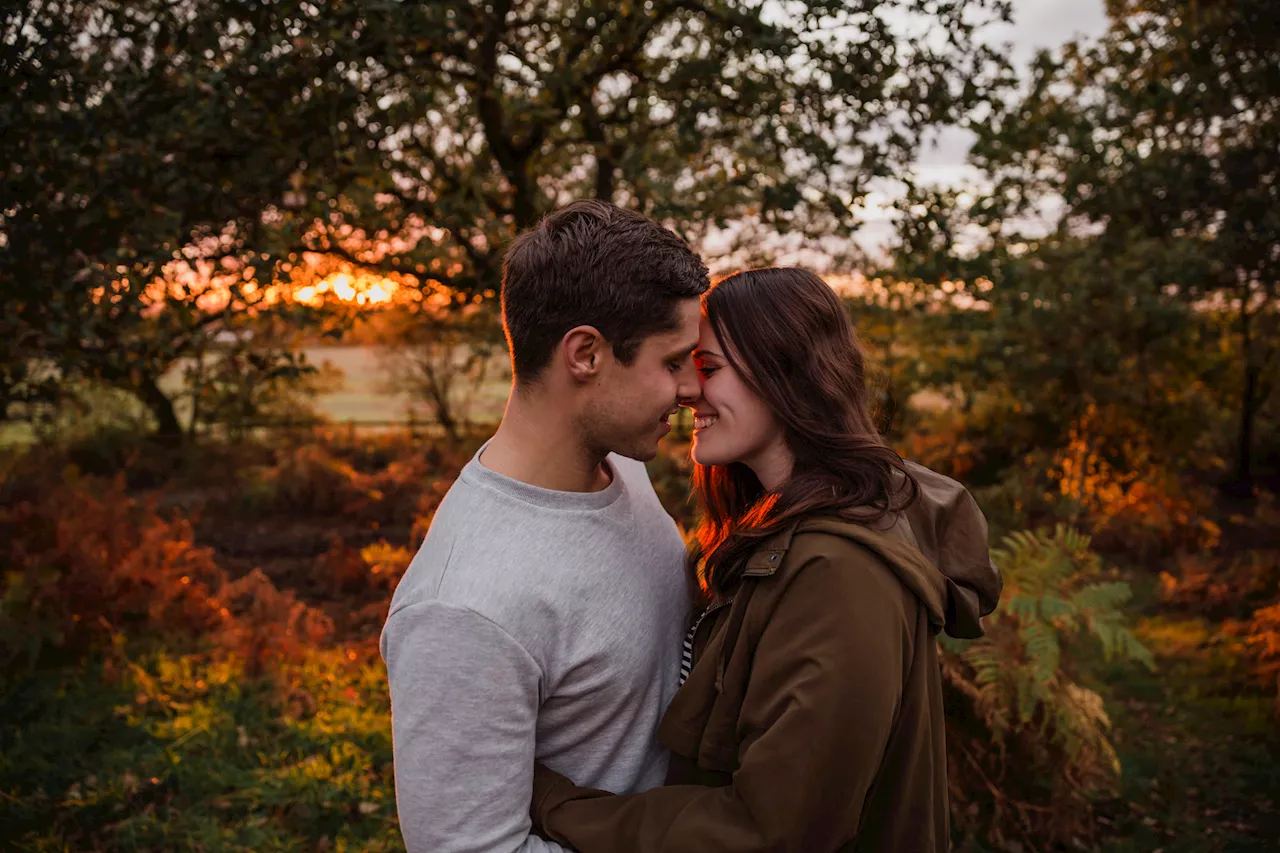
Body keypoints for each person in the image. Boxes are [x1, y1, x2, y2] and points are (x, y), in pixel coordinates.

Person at [529, 267, 1002, 852]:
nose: (687, 390)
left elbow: (773, 831)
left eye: (709, 367)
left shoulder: (838, 574)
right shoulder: (775, 533)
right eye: (681, 366)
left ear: (786, 374)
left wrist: (555, 802)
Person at [380, 199, 710, 853]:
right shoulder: (463, 609)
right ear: (586, 354)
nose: (691, 388)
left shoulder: (622, 467)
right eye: (672, 362)